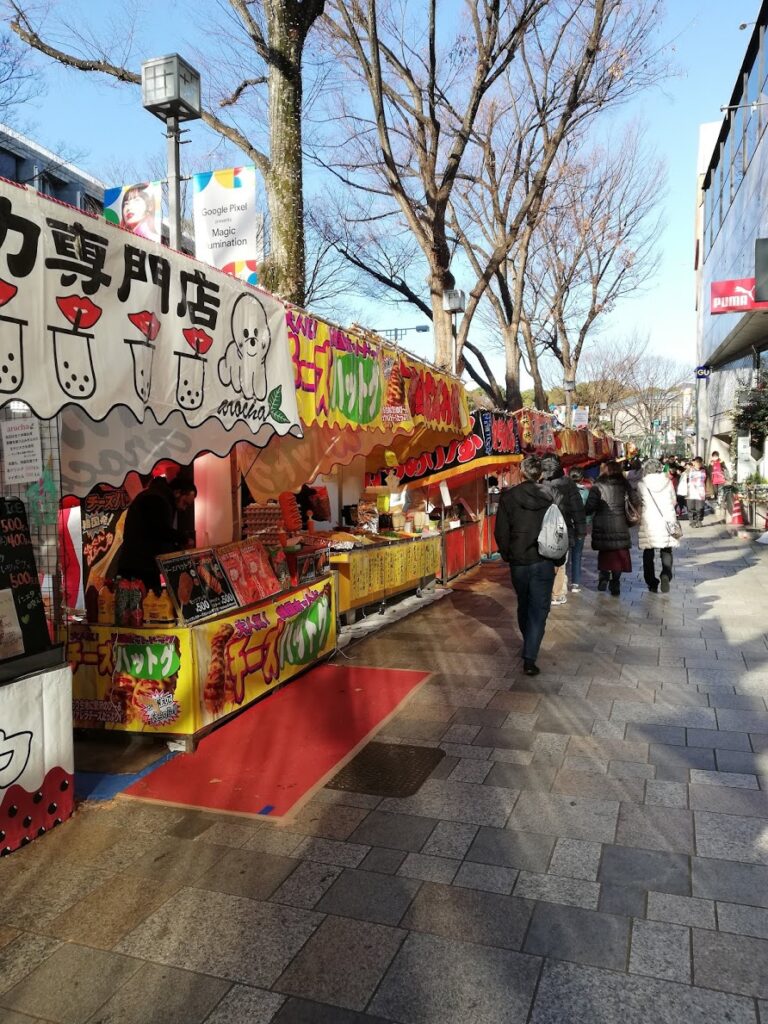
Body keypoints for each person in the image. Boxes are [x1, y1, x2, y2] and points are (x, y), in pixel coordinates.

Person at [494, 455, 563, 676]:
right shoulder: (552, 495)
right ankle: (530, 655)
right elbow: (560, 529)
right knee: (538, 608)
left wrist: (508, 554)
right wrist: (559, 558)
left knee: (525, 604)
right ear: (540, 474)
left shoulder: (509, 497)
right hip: (544, 560)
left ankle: (529, 647)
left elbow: (501, 531)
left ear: (522, 473)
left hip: (519, 562)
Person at [116, 476, 197, 592]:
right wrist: (183, 539)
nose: (184, 508)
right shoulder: (156, 499)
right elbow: (159, 530)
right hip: (139, 567)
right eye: (185, 503)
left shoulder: (157, 496)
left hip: (137, 565)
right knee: (145, 606)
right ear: (177, 492)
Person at [540, 454, 586, 605]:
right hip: (563, 528)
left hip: (541, 528)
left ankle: (545, 591)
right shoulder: (568, 483)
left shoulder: (539, 483)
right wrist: (580, 531)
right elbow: (577, 509)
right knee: (560, 561)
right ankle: (557, 594)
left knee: (544, 559)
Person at [585, 460, 632, 596]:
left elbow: (590, 506)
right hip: (620, 523)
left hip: (602, 524)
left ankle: (603, 577)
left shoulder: (598, 485)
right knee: (618, 554)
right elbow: (635, 501)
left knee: (605, 553)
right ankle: (615, 582)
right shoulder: (624, 484)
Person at [637, 457, 680, 593]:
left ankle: (651, 582)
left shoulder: (641, 484)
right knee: (666, 549)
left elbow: (639, 501)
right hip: (667, 519)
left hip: (649, 520)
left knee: (648, 551)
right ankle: (666, 574)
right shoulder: (668, 482)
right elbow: (674, 501)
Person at [568, 466, 591, 592]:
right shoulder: (585, 492)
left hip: (567, 526)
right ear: (582, 479)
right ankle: (575, 583)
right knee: (577, 554)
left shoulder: (565, 491)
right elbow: (588, 512)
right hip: (580, 527)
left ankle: (563, 580)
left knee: (565, 555)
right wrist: (586, 522)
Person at [687, 456, 707, 527]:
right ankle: (692, 521)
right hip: (691, 492)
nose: (698, 464)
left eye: (700, 463)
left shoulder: (704, 470)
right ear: (694, 463)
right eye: (697, 462)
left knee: (700, 507)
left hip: (701, 492)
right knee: (691, 507)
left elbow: (708, 481)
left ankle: (699, 520)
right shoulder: (689, 470)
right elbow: (683, 480)